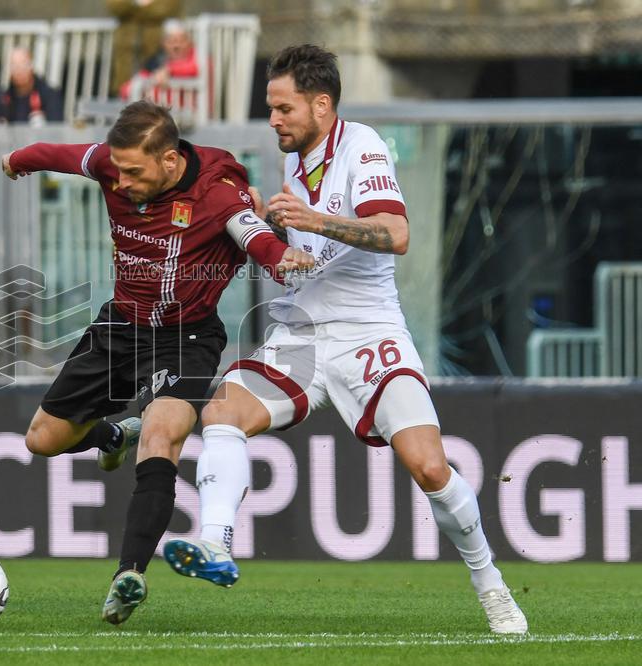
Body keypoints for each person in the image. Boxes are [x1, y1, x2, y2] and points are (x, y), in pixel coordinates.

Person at [161, 44, 529, 635]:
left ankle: (491, 583)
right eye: (271, 108)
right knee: (224, 412)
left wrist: (313, 221)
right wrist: (272, 219)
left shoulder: (363, 146)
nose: (273, 120)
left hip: (368, 333)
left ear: (322, 105)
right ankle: (214, 544)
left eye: (283, 109)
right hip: (303, 331)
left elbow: (396, 233)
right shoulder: (296, 159)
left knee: (430, 468)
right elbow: (309, 244)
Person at [2, 100, 313, 625]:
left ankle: (130, 574)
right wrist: (20, 158)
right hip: (121, 326)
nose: (119, 182)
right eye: (116, 169)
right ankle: (110, 438)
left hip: (187, 337)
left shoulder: (217, 189)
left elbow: (250, 231)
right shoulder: (113, 163)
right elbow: (61, 153)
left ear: (170, 161)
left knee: (162, 433)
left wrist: (279, 257)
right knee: (42, 440)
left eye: (133, 172)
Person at [106, 0, 181, 96]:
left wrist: (133, 9)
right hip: (126, 50)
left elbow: (163, 9)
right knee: (124, 87)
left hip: (155, 47)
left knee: (153, 83)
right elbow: (116, 7)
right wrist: (139, 4)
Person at [119, 19, 199, 106]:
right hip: (157, 112)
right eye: (171, 41)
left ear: (190, 42)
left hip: (187, 112)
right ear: (163, 43)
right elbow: (126, 89)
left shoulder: (198, 56)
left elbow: (195, 67)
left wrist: (169, 70)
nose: (176, 46)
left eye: (181, 41)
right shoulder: (157, 60)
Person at [0, 47, 63, 126]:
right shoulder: (3, 98)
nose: (19, 70)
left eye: (23, 65)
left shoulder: (49, 95)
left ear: (31, 66)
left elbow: (56, 130)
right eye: (14, 66)